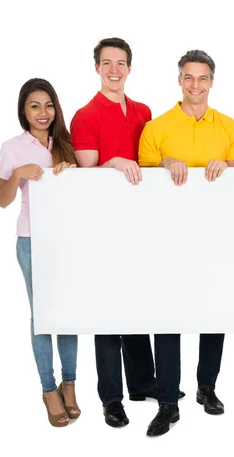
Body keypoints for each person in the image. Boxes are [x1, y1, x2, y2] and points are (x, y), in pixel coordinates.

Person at [70, 37, 184, 429]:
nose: (114, 70)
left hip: (142, 221)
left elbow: (150, 161)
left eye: (121, 63)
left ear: (130, 68)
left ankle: (143, 383)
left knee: (140, 300)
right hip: (102, 224)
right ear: (97, 68)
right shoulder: (85, 115)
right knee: (108, 312)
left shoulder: (144, 112)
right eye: (107, 63)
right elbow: (86, 173)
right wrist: (115, 161)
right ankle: (112, 399)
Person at [138, 49, 234, 436]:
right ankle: (167, 402)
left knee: (213, 315)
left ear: (212, 82)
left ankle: (207, 388)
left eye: (202, 78)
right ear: (179, 80)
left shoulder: (229, 127)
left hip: (216, 235)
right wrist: (164, 164)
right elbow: (141, 184)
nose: (195, 85)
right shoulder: (157, 127)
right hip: (167, 237)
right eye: (188, 77)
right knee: (168, 317)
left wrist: (228, 167)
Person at [0, 78, 79, 427]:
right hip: (32, 240)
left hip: (67, 241)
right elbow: (1, 200)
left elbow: (82, 197)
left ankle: (69, 384)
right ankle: (48, 389)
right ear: (23, 111)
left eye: (48, 105)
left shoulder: (66, 143)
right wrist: (18, 174)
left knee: (70, 314)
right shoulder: (13, 147)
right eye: (34, 106)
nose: (43, 113)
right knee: (42, 315)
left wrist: (72, 173)